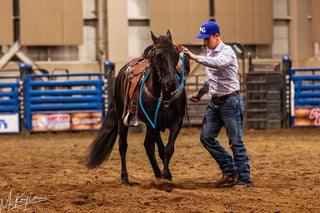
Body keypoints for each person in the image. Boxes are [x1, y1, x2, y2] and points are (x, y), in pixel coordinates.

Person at [182, 21, 251, 188]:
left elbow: (218, 63)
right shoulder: (210, 52)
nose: (205, 42)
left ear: (216, 36)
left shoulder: (227, 52)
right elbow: (211, 78)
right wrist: (199, 94)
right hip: (216, 103)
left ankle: (244, 179)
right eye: (203, 39)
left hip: (230, 103)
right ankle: (229, 170)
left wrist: (195, 57)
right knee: (206, 138)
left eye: (207, 38)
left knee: (235, 142)